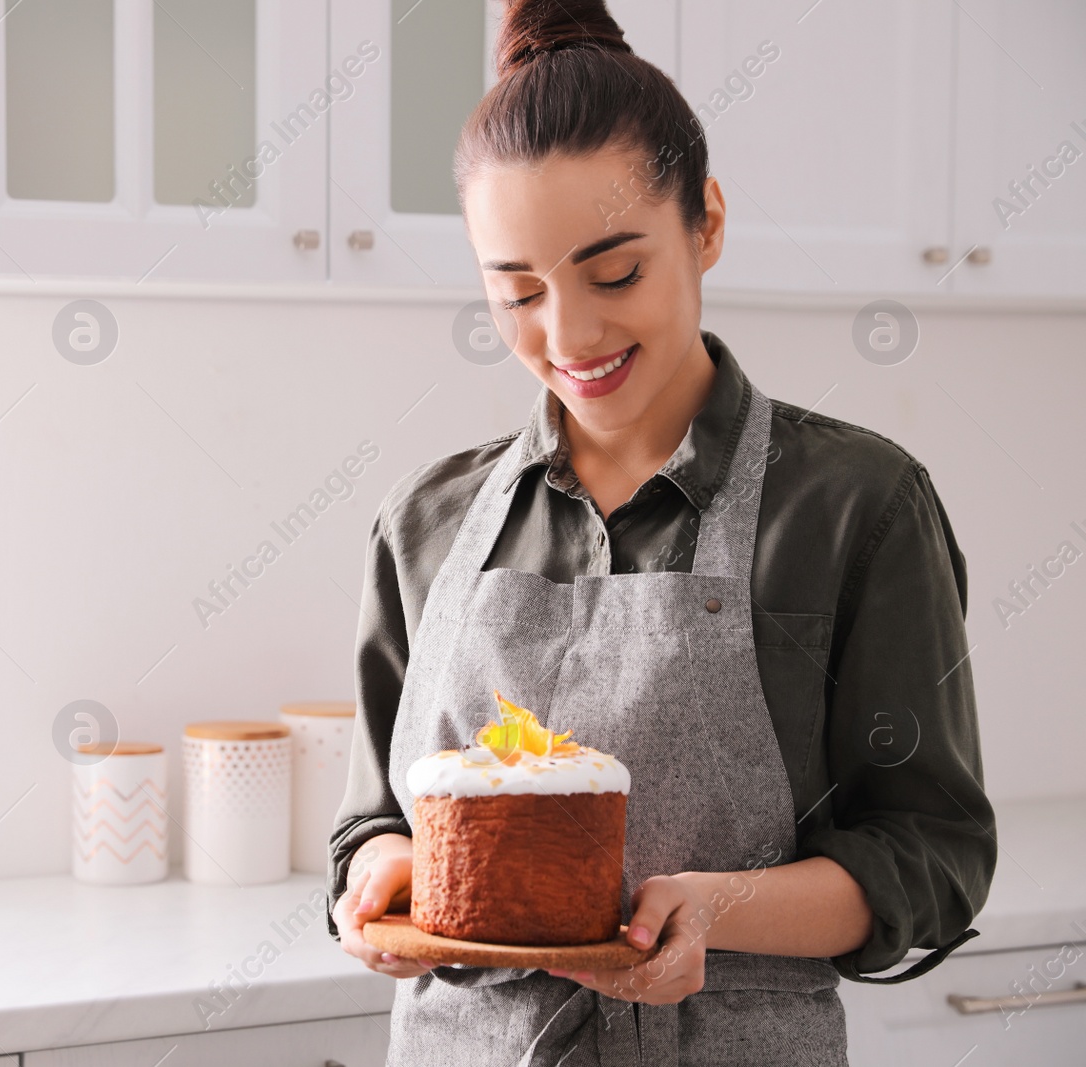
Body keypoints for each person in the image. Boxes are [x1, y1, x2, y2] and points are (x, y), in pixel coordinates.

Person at [323, 1, 997, 1064]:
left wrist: (710, 911)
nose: (569, 334)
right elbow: (375, 821)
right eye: (517, 293)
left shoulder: (853, 506)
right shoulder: (426, 522)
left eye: (615, 272)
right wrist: (379, 880)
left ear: (706, 223)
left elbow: (930, 856)